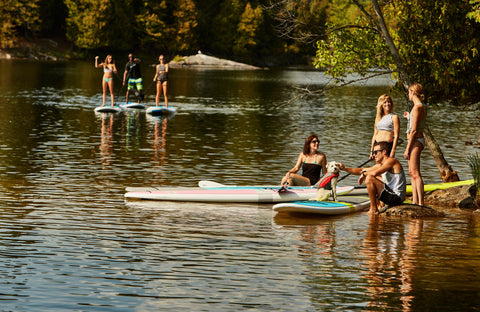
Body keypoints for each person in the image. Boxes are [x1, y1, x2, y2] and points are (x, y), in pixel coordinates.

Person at [339, 142, 406, 214]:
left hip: (396, 198)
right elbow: (361, 170)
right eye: (373, 152)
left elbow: (374, 173)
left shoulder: (392, 161)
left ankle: (373, 209)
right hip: (390, 195)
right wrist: (344, 168)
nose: (374, 155)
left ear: (384, 152)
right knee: (370, 176)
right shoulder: (381, 165)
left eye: (376, 152)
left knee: (369, 178)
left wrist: (364, 174)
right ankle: (378, 206)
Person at [403, 83, 426, 206]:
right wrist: (409, 118)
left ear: (413, 92)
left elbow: (414, 130)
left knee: (415, 172)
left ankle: (421, 202)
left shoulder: (418, 107)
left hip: (415, 141)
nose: (408, 95)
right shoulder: (417, 107)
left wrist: (407, 149)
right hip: (413, 141)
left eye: (409, 92)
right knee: (412, 172)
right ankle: (415, 200)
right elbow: (416, 122)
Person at [370, 94, 400, 158]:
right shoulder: (378, 118)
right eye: (385, 102)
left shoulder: (394, 117)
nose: (387, 104)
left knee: (387, 166)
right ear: (381, 104)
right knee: (378, 167)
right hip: (377, 145)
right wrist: (371, 151)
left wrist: (393, 151)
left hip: (387, 146)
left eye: (389, 102)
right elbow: (375, 134)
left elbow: (396, 135)